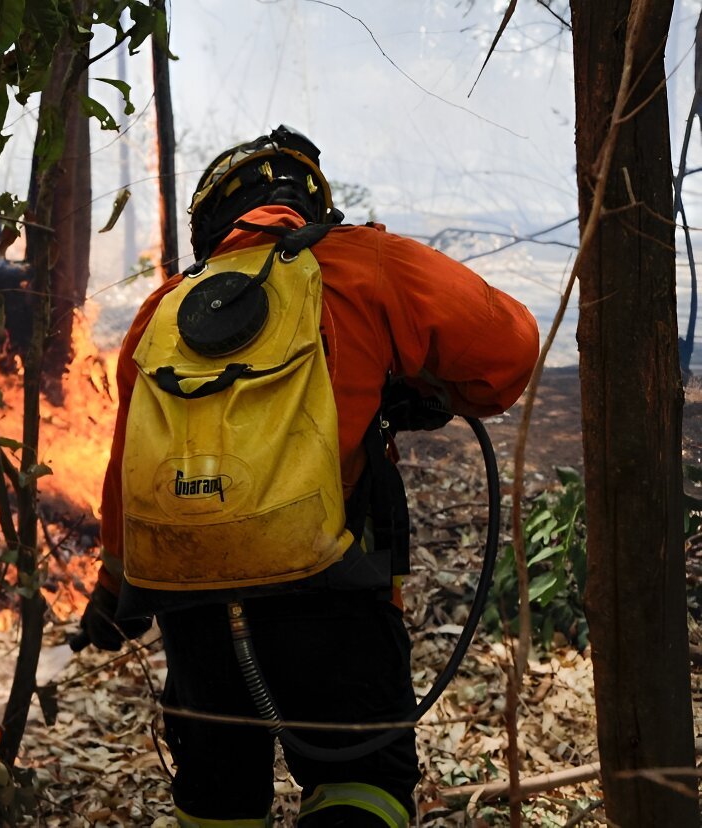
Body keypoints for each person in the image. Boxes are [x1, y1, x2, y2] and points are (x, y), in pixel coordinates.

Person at [78, 126, 540, 827]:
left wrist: (113, 591)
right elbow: (509, 349)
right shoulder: (365, 263)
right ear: (312, 204)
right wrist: (428, 390)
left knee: (217, 800)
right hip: (332, 593)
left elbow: (126, 473)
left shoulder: (162, 310)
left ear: (213, 222)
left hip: (192, 606)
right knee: (361, 786)